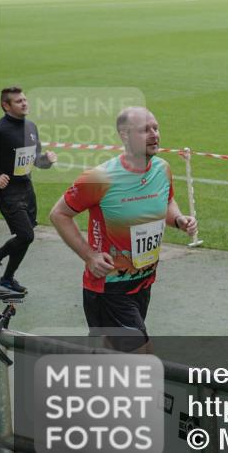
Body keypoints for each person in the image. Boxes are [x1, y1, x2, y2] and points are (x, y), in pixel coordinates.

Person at [49, 107, 197, 352]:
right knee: (141, 354)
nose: (154, 134)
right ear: (124, 135)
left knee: (112, 352)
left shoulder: (162, 169)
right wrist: (89, 255)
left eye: (155, 128)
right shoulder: (99, 178)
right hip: (109, 288)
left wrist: (179, 219)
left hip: (143, 281)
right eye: (144, 130)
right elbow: (59, 214)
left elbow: (167, 201)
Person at [0, 86, 57, 295]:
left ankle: (7, 279)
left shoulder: (31, 127)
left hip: (27, 189)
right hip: (8, 192)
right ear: (6, 105)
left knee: (25, 238)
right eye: (18, 101)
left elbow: (36, 160)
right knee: (26, 235)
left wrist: (46, 161)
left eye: (25, 99)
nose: (24, 103)